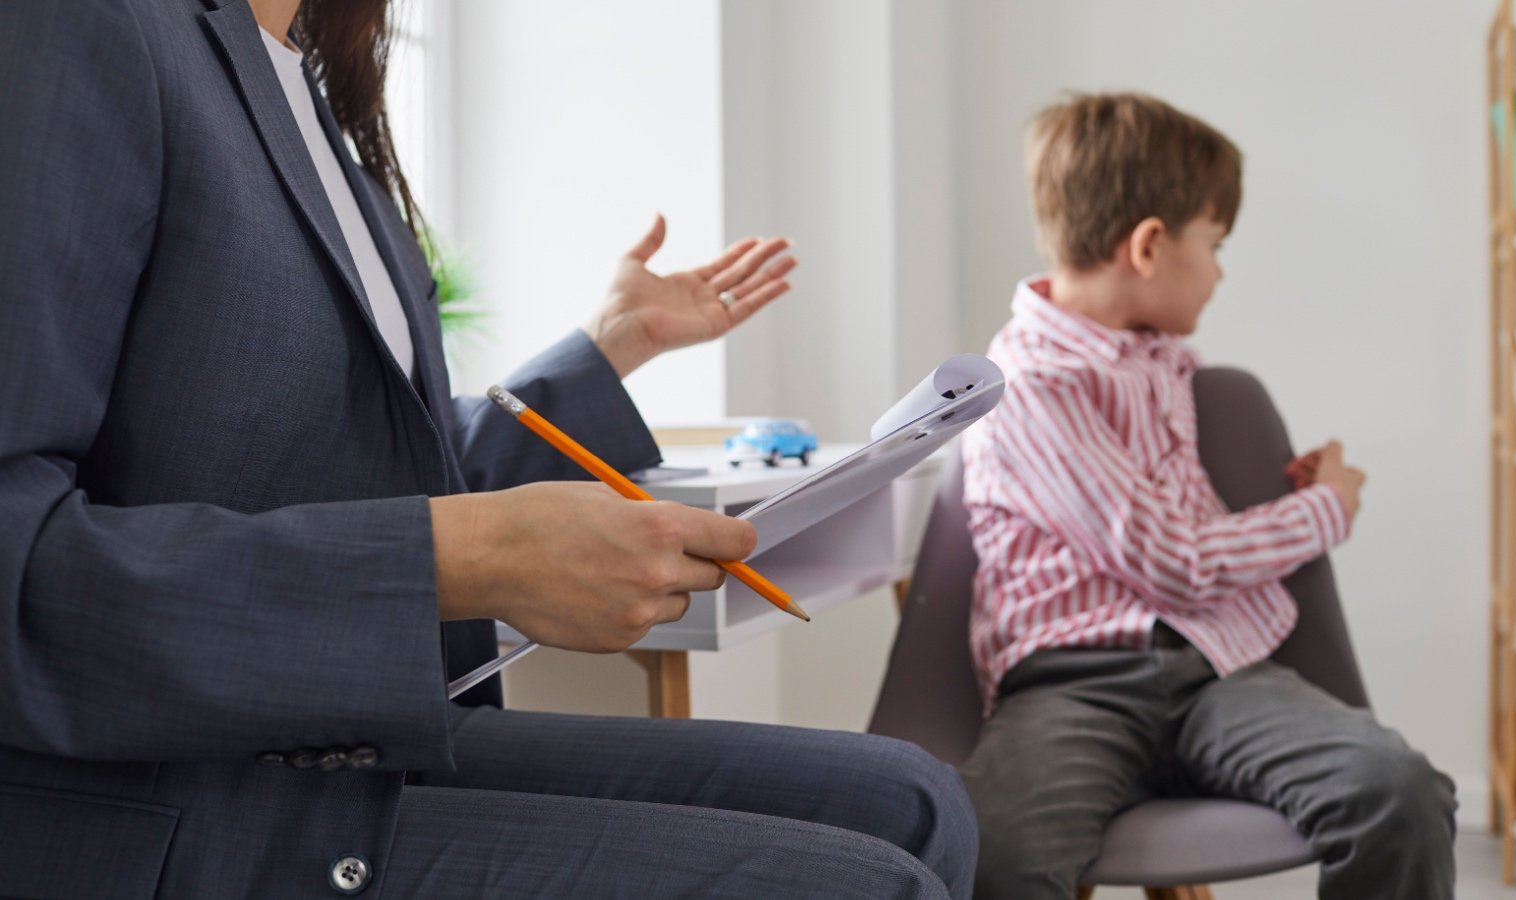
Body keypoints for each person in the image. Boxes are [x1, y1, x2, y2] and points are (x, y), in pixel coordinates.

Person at [0, 1, 977, 896]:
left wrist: (604, 354)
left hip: (335, 742)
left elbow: (380, 470)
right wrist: (462, 561)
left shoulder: (297, 83)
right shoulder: (84, 29)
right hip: (170, 808)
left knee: (912, 801)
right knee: (862, 882)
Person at [958, 92, 1455, 899]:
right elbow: (1173, 561)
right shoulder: (1028, 385)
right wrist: (1323, 509)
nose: (1220, 271)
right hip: (1070, 686)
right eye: (1216, 245)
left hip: (1219, 671)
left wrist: (1283, 486)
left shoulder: (1166, 361)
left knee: (1396, 790)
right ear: (1150, 245)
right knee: (995, 855)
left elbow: (1168, 519)